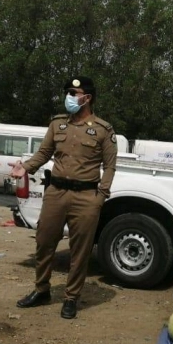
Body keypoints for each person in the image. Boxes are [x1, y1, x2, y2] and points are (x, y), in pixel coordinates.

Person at [10, 76, 118, 320]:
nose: (69, 96)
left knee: (79, 250)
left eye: (73, 92)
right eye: (68, 92)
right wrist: (25, 167)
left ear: (86, 98)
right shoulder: (57, 124)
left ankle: (71, 297)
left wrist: (101, 196)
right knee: (44, 240)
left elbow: (110, 166)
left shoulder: (103, 129)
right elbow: (44, 152)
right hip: (56, 193)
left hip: (86, 197)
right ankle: (42, 290)